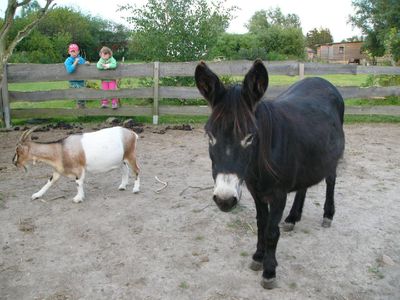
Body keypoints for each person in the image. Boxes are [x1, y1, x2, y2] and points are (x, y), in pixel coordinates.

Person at [64, 43, 89, 109]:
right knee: (79, 93)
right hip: (73, 81)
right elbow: (69, 70)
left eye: (75, 51)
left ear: (78, 51)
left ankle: (82, 108)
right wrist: (75, 62)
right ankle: (79, 108)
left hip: (81, 80)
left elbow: (84, 63)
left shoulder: (80, 59)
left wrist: (86, 63)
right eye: (72, 51)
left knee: (83, 94)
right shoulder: (68, 60)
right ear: (69, 52)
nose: (74, 53)